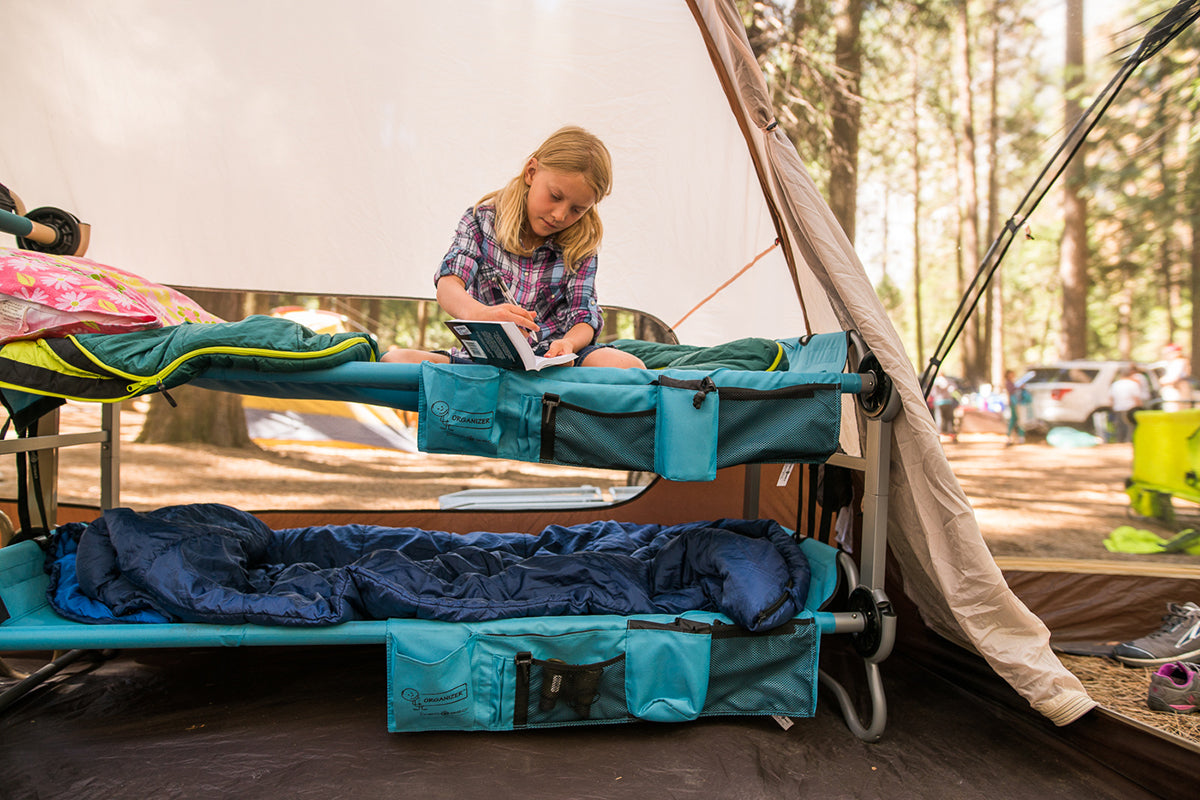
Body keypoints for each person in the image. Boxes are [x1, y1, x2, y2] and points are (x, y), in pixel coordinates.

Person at [383, 126, 644, 370]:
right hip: (489, 356)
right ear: (532, 172)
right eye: (555, 196)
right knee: (395, 360)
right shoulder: (481, 220)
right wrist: (481, 314)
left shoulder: (581, 243)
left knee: (630, 368)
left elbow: (583, 316)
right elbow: (448, 285)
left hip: (557, 361)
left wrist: (569, 345)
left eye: (577, 209)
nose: (560, 215)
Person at [1108, 365, 1146, 444]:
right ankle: (1129, 441)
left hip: (1118, 408)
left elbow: (1111, 398)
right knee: (1130, 427)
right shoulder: (1132, 384)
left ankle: (1120, 441)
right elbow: (1136, 398)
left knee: (1120, 426)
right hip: (1130, 408)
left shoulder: (1115, 384)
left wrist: (1112, 408)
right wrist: (1140, 408)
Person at [1159, 343, 1192, 411]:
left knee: (1176, 410)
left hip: (1177, 389)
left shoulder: (1178, 362)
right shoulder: (1174, 362)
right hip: (1177, 389)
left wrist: (1162, 381)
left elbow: (1173, 378)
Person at [1004, 369, 1025, 446]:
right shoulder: (1009, 383)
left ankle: (1019, 436)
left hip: (1016, 403)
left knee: (1016, 419)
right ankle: (1012, 436)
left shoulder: (1013, 383)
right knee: (1016, 419)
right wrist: (1019, 387)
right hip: (1014, 403)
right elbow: (1012, 391)